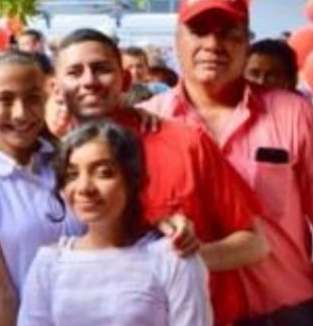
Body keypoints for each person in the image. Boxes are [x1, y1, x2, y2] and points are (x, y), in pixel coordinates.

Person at [57, 27, 267, 325]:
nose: (89, 81)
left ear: (126, 79)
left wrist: (184, 259)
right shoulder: (47, 158)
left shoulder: (185, 143)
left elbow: (255, 244)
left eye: (101, 69)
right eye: (75, 72)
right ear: (56, 86)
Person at [141, 0, 313, 324]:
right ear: (177, 41)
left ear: (245, 43)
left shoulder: (293, 114)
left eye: (227, 32)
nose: (213, 44)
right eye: (199, 30)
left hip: (283, 312)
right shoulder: (147, 122)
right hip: (185, 314)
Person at [18, 120, 212, 325]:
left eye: (103, 173)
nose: (84, 187)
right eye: (72, 175)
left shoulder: (172, 258)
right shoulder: (49, 263)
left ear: (133, 180)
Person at [0, 52, 81, 326]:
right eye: (5, 99)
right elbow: (1, 293)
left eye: (33, 98)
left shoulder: (73, 166)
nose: (21, 113)